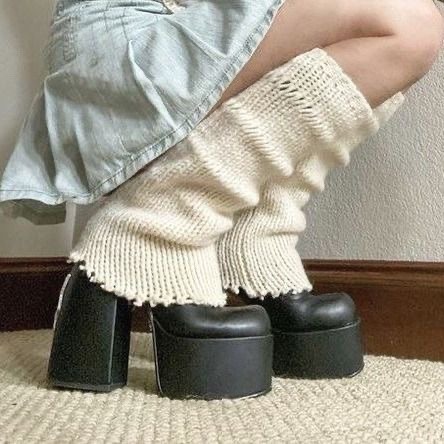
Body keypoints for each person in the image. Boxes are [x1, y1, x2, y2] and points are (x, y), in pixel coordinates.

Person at [1, 0, 443, 400]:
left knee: (411, 20)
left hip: (181, 28)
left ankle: (253, 229)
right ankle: (159, 222)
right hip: (125, 35)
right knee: (406, 25)